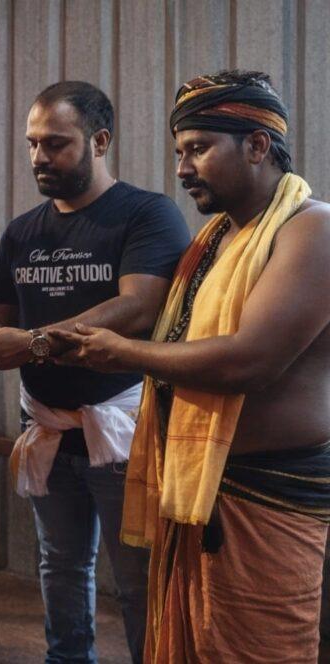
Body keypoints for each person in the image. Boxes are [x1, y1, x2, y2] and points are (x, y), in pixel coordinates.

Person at [52, 70, 330, 663]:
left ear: (257, 145)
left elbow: (250, 361)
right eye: (180, 152)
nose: (182, 169)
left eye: (199, 149)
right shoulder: (217, 240)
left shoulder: (313, 230)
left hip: (268, 498)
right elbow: (169, 327)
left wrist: (124, 352)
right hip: (199, 492)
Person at [0, 81, 191, 663]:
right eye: (33, 144)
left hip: (125, 430)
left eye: (56, 144)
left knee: (137, 578)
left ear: (99, 141)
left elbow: (138, 307)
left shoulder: (146, 213)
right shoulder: (22, 232)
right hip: (48, 428)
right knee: (60, 565)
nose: (39, 156)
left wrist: (33, 343)